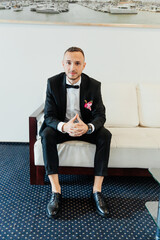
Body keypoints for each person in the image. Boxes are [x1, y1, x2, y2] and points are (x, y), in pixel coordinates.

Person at [40, 47, 112, 219]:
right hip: (63, 127)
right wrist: (64, 127)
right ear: (63, 64)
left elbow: (100, 115)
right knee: (47, 134)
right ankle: (56, 191)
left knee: (105, 135)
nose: (72, 67)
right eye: (69, 62)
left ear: (84, 65)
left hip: (83, 128)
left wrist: (88, 127)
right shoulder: (52, 83)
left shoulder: (94, 85)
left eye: (77, 63)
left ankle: (97, 191)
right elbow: (48, 115)